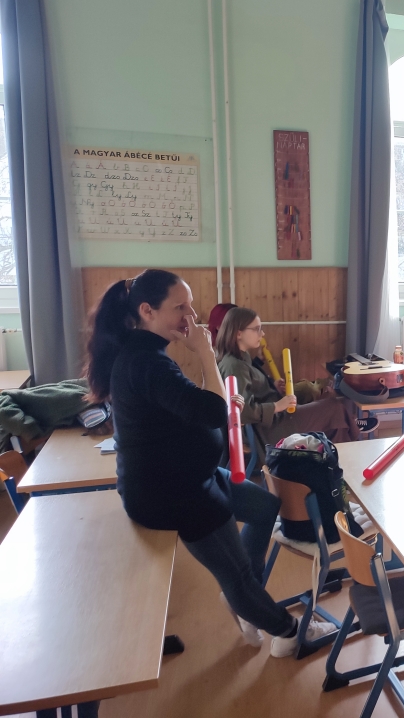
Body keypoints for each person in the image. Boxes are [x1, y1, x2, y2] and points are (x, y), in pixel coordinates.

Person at [85, 270, 335, 658]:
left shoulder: (148, 354)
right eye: (180, 307)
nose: (192, 315)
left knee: (264, 506)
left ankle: (244, 593)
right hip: (172, 493)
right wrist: (204, 351)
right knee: (235, 573)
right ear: (148, 311)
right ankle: (287, 633)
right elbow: (215, 412)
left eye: (190, 304)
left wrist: (214, 395)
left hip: (194, 476)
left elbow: (190, 406)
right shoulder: (146, 362)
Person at [215, 306, 374, 446]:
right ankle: (352, 430)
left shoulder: (239, 359)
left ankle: (341, 448)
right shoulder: (234, 365)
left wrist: (271, 388)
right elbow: (242, 412)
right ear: (238, 334)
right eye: (257, 329)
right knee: (334, 408)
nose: (262, 333)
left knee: (336, 413)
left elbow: (252, 393)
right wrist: (278, 406)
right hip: (271, 429)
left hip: (276, 421)